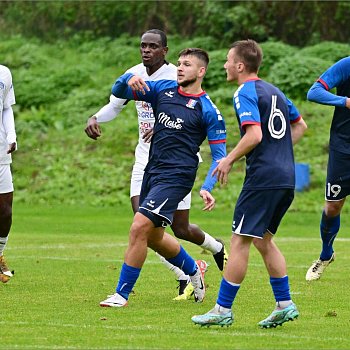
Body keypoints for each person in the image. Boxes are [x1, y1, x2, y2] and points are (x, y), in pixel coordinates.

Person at [85, 30, 227, 300]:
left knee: (144, 226)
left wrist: (208, 186)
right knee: (151, 234)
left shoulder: (208, 109)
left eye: (186, 65)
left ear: (201, 71)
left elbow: (220, 155)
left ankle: (121, 295)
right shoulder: (163, 89)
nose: (180, 68)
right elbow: (118, 94)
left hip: (178, 174)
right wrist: (127, 79)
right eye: (181, 63)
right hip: (151, 167)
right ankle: (192, 269)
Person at [191, 40, 307, 328]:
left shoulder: (244, 91)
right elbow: (300, 126)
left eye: (228, 61)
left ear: (240, 65)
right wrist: (278, 151)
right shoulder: (275, 91)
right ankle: (285, 304)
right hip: (286, 177)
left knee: (239, 240)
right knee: (262, 239)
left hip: (264, 178)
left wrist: (228, 159)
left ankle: (221, 310)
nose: (225, 65)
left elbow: (254, 135)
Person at [306, 57, 350, 281]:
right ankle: (325, 255)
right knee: (333, 207)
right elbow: (314, 92)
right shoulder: (347, 65)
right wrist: (345, 102)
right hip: (344, 149)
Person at [0, 65, 17, 283]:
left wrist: (11, 135)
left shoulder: (4, 73)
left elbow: (6, 108)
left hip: (1, 151)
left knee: (4, 210)